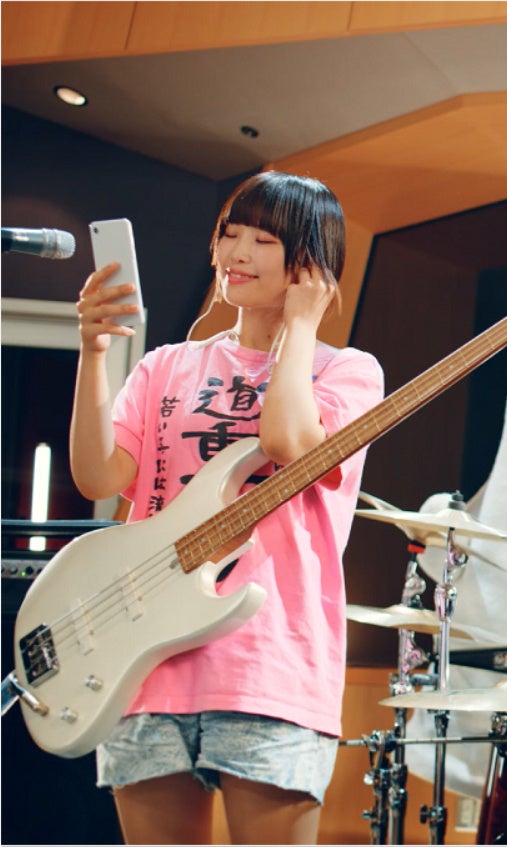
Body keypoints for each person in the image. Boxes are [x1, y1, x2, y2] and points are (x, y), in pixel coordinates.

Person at [70, 171, 384, 844]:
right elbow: (99, 474)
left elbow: (289, 443)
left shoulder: (348, 372)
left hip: (268, 664)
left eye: (263, 240)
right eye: (229, 234)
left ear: (309, 263)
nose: (235, 253)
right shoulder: (164, 366)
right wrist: (93, 355)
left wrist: (301, 325)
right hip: (144, 660)